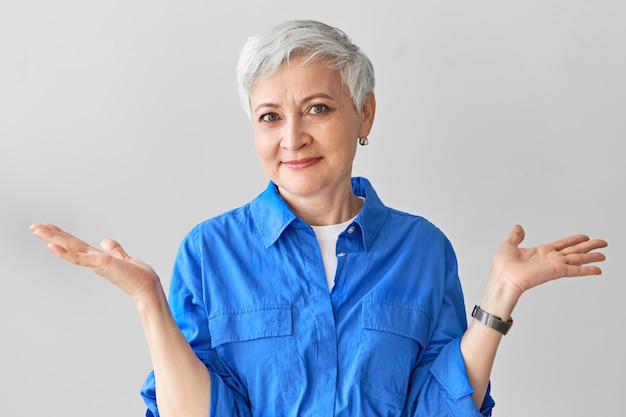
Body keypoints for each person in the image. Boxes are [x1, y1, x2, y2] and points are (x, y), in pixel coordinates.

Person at [30, 19, 607, 417]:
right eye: (269, 116)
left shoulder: (423, 250)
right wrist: (148, 301)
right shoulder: (210, 252)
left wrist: (501, 294)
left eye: (318, 109)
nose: (292, 138)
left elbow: (440, 407)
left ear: (365, 113)